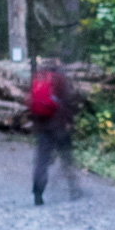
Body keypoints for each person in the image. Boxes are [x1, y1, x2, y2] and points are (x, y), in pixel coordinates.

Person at [28, 63, 81, 205]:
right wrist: (70, 121)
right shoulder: (61, 79)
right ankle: (74, 190)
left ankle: (38, 193)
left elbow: (31, 103)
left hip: (42, 126)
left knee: (42, 160)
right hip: (60, 126)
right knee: (66, 157)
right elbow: (68, 102)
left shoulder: (39, 79)